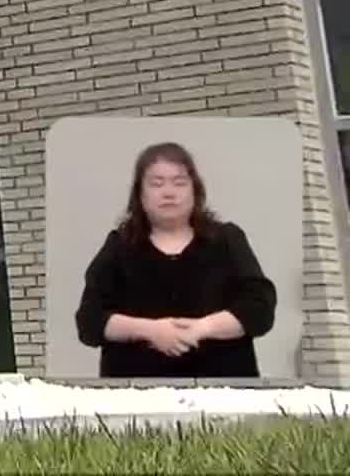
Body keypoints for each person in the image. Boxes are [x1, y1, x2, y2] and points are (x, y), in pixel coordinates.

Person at [74, 141, 276, 379]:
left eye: (179, 183)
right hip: (137, 395)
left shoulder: (227, 240)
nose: (169, 192)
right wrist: (151, 331)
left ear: (195, 190)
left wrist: (201, 329)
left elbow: (259, 309)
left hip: (226, 390)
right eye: (156, 183)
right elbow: (89, 321)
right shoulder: (119, 246)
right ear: (140, 194)